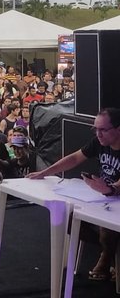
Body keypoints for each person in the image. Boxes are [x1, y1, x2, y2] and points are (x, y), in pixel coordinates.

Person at [27, 108, 120, 281]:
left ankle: (106, 257)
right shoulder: (99, 142)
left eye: (103, 130)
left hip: (114, 200)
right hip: (103, 198)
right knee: (67, 218)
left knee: (107, 228)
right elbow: (75, 158)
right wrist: (45, 172)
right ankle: (112, 251)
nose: (98, 134)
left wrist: (110, 189)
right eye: (95, 129)